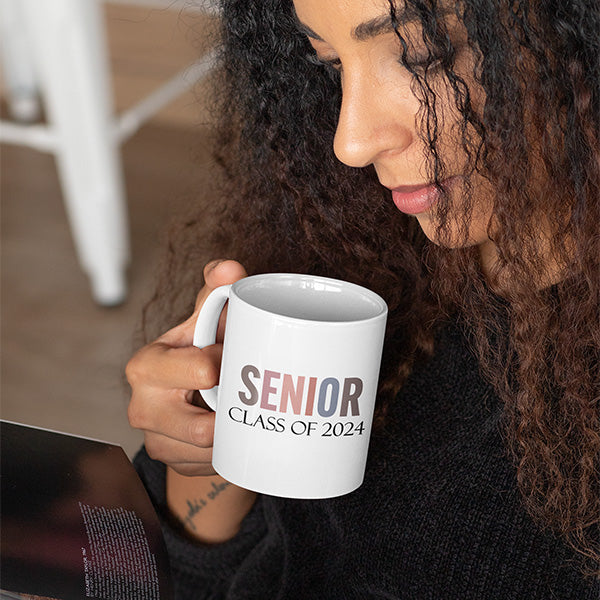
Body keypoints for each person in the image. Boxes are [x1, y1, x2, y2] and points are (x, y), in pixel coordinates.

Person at [126, 0, 600, 597]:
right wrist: (200, 457)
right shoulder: (352, 240)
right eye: (328, 64)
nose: (350, 143)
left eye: (421, 55)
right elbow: (199, 575)